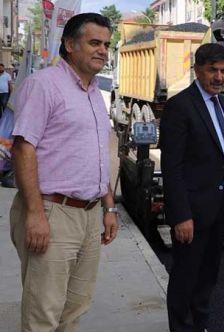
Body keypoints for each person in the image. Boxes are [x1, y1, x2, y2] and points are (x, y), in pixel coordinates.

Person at [10, 13, 118, 332]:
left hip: (88, 214)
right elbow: (23, 148)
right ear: (70, 45)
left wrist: (109, 207)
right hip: (52, 210)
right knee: (44, 312)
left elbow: (99, 156)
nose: (102, 50)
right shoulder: (43, 85)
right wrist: (34, 214)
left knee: (75, 307)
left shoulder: (94, 93)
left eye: (106, 44)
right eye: (94, 42)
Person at [160, 43, 224, 332]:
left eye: (223, 71)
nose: (219, 77)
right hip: (193, 212)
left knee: (208, 277)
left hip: (221, 206)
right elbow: (172, 167)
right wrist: (181, 215)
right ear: (197, 70)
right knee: (186, 277)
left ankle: (200, 326)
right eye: (212, 70)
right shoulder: (180, 106)